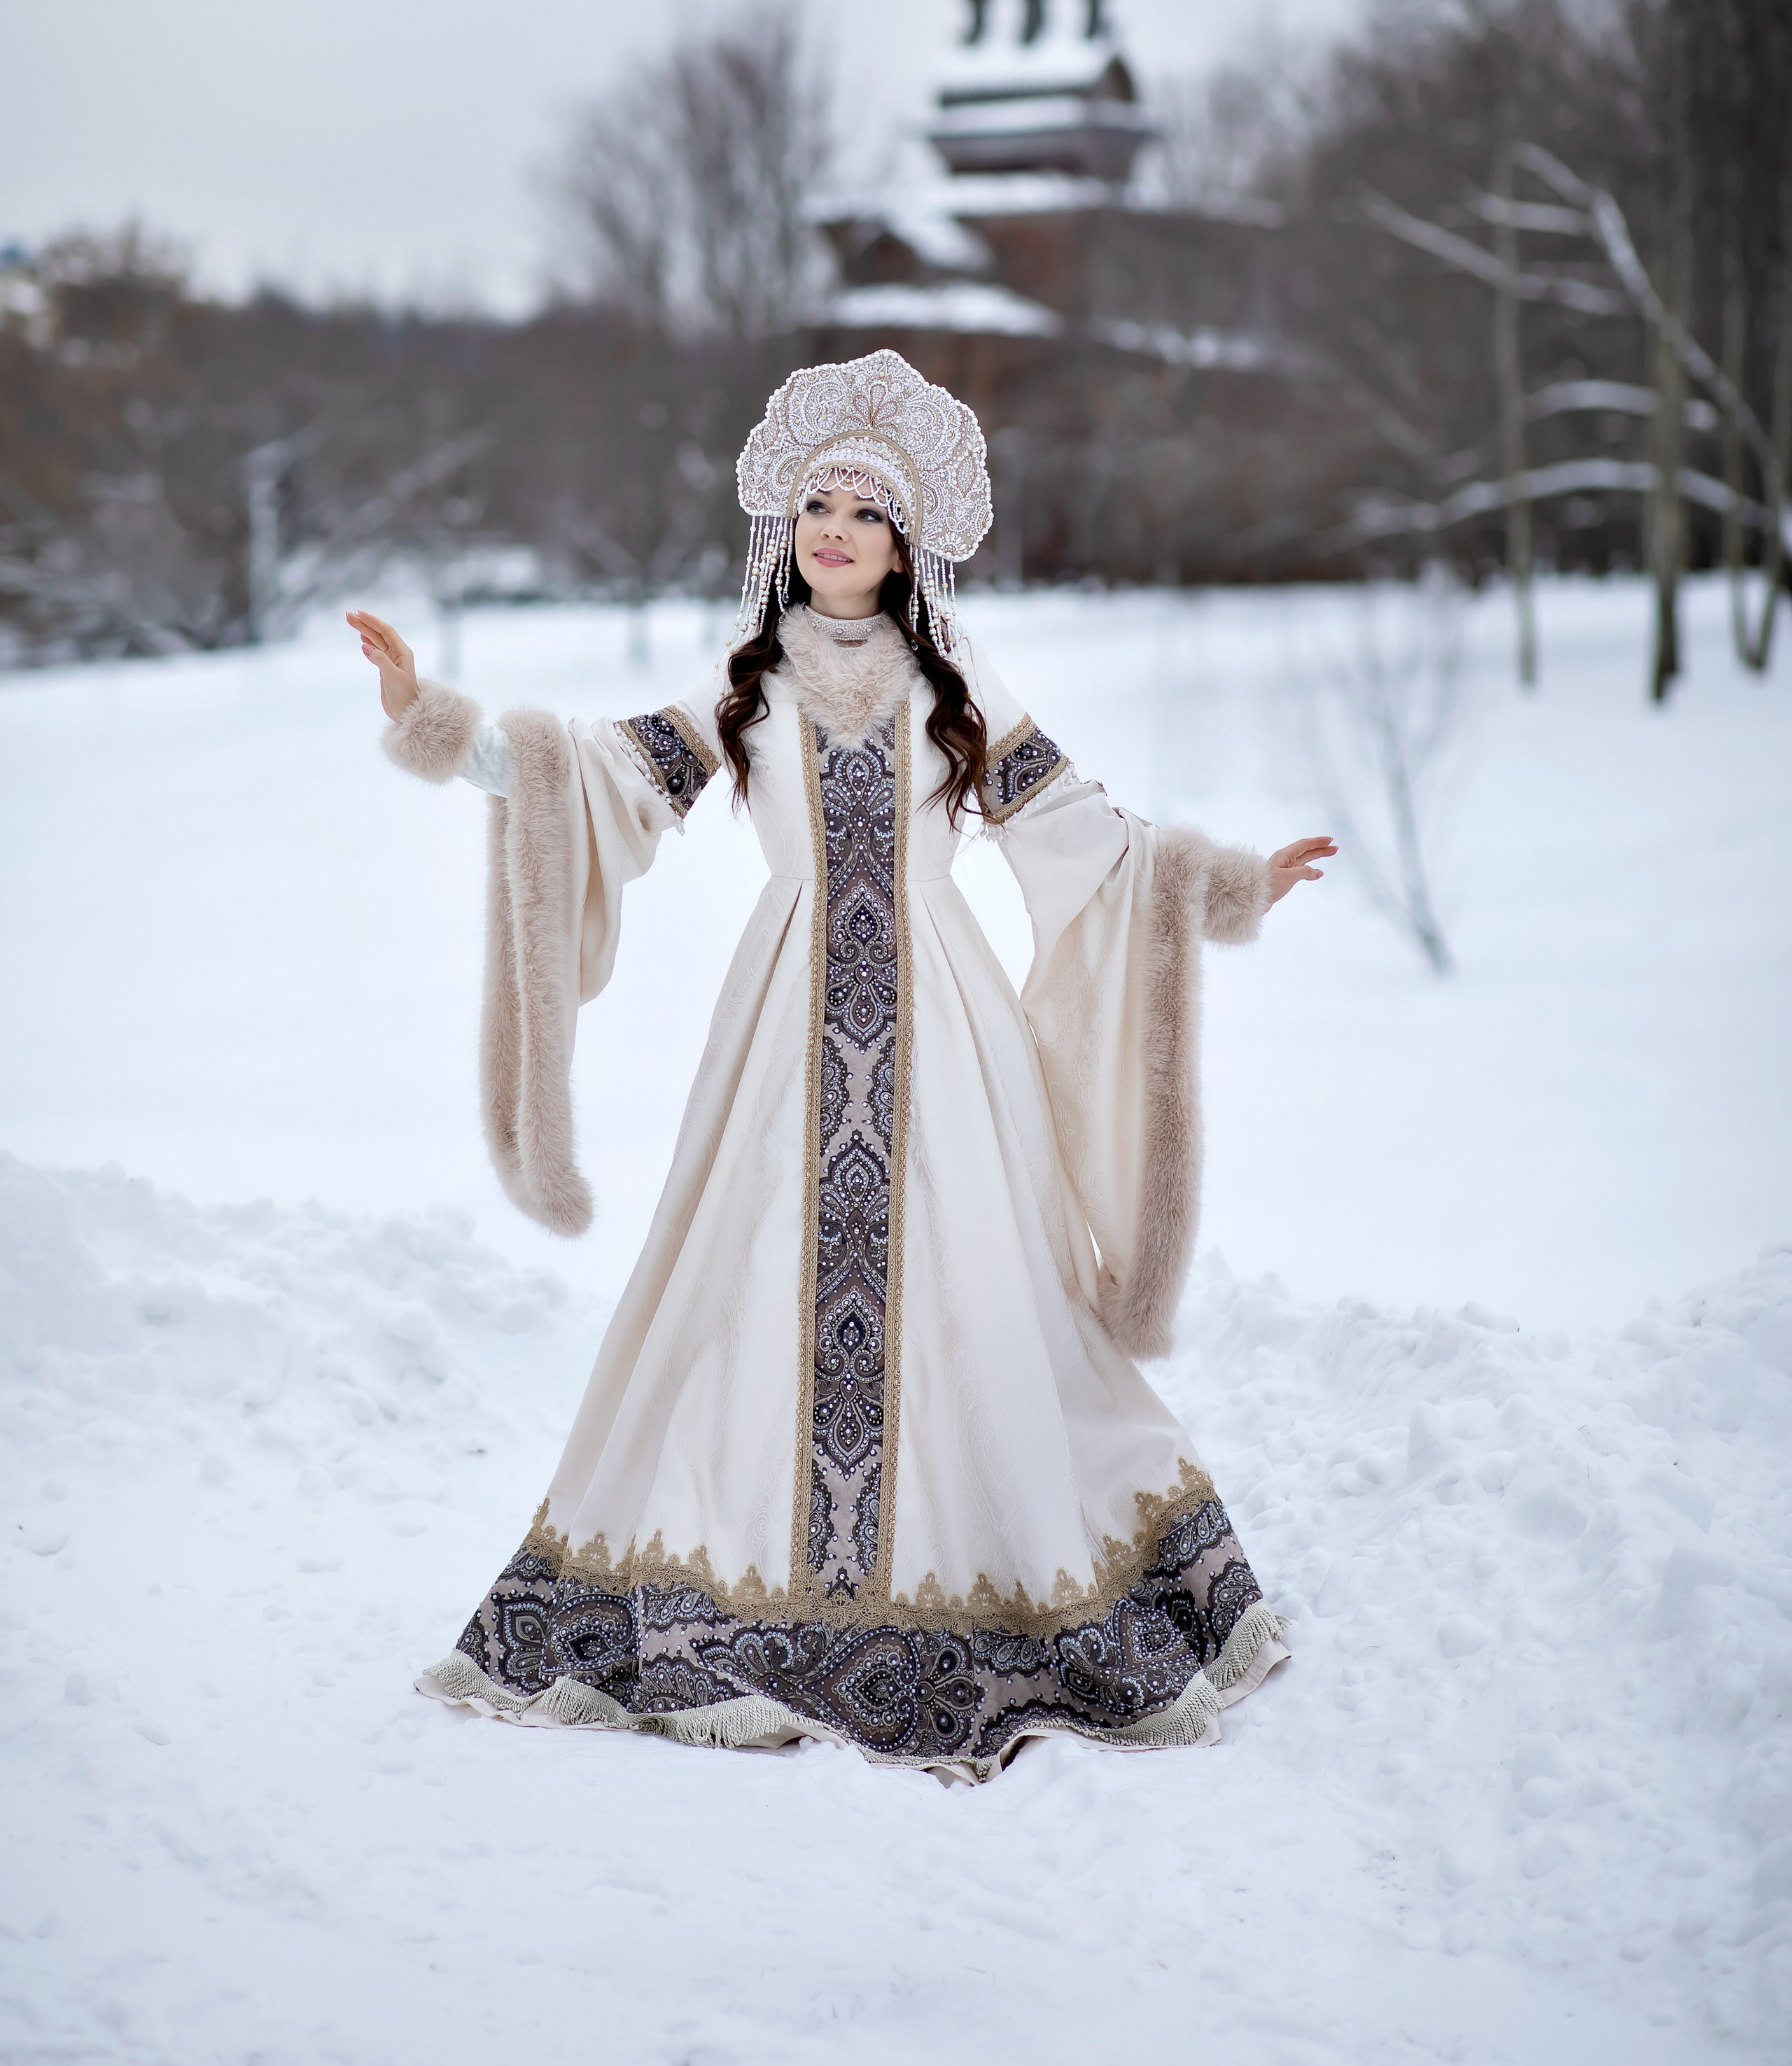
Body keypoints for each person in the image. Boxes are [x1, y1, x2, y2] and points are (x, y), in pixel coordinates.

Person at [349, 350, 1334, 1784]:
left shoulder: (955, 677)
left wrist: (1226, 885)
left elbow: (1087, 839)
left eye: (864, 512)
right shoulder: (745, 680)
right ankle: (745, 1579)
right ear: (783, 528)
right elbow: (597, 775)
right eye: (815, 503)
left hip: (945, 1022)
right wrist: (437, 725)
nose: (834, 530)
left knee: (979, 1288)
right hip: (781, 1023)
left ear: (906, 542)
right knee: (742, 1282)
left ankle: (983, 1561)